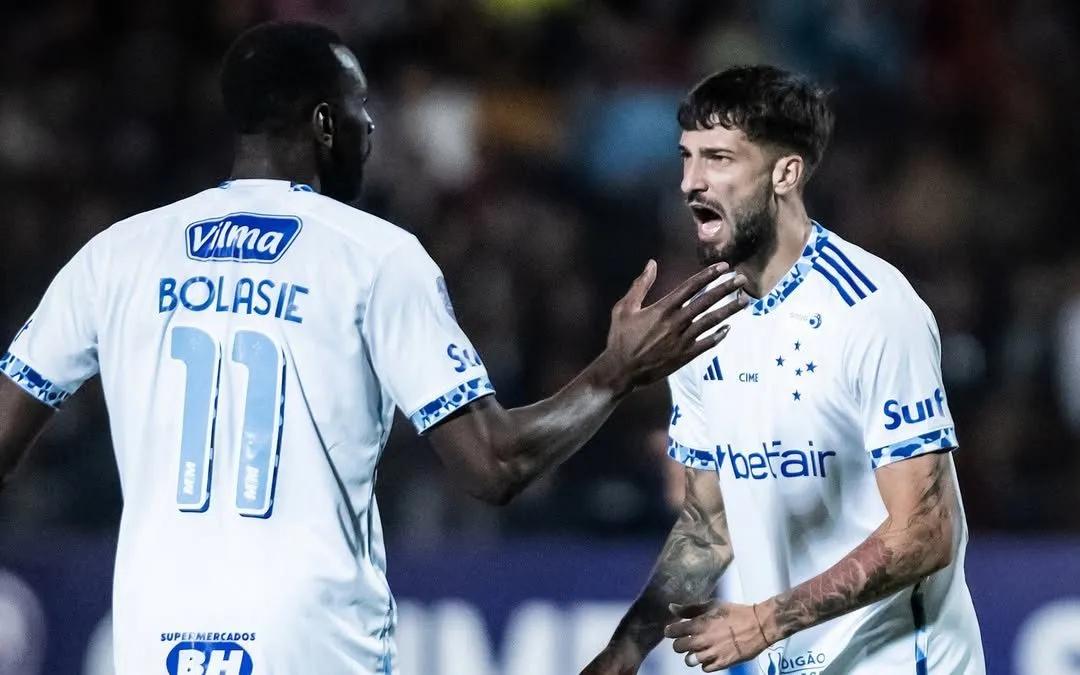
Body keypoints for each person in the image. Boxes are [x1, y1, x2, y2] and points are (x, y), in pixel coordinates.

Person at [0, 22, 748, 675]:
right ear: (325, 122)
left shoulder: (118, 255)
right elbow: (493, 466)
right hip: (311, 641)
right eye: (361, 110)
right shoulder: (373, 256)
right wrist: (614, 373)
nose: (371, 129)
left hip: (148, 638)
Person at [582, 65, 986, 675]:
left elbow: (927, 530)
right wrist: (625, 650)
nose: (692, 181)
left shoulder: (873, 309)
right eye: (686, 157)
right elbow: (709, 527)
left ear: (785, 173)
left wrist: (764, 621)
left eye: (719, 158)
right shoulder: (699, 327)